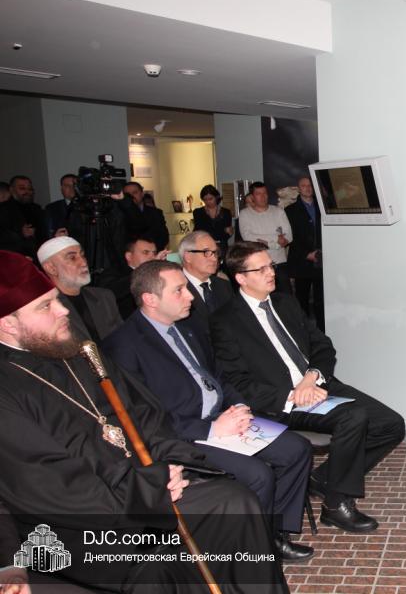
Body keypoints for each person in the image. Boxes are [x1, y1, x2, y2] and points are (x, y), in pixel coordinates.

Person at [0, 250, 289, 592]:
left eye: (57, 300)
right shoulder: (7, 388)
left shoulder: (75, 351)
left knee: (236, 501)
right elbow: (46, 482)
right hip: (76, 523)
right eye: (45, 306)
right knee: (161, 562)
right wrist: (148, 488)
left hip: (141, 484)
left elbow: (144, 412)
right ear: (7, 323)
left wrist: (171, 462)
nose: (63, 310)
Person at [103, 260, 314, 561]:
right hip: (183, 434)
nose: (190, 296)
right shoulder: (123, 346)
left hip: (220, 417)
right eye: (179, 290)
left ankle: (273, 533)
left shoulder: (187, 327)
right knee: (258, 475)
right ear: (150, 299)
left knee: (296, 449)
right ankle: (252, 551)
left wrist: (238, 405)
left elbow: (218, 376)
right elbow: (143, 418)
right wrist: (212, 429)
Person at [210, 241, 405, 533]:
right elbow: (238, 382)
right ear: (240, 278)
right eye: (260, 269)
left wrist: (311, 377)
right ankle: (336, 506)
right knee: (353, 417)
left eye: (270, 265)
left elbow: (323, 346)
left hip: (315, 385)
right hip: (281, 402)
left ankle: (323, 479)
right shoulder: (225, 320)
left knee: (391, 424)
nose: (271, 272)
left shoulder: (285, 302)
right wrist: (293, 395)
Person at [36, 237, 122, 341]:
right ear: (51, 268)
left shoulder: (104, 297)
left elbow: (123, 339)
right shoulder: (45, 310)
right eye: (72, 258)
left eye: (83, 255)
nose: (84, 263)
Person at [238, 182, 293, 294]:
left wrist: (265, 241)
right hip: (258, 265)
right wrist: (275, 240)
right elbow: (248, 237)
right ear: (252, 196)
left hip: (279, 263)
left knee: (286, 297)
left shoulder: (278, 211)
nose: (263, 196)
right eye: (258, 194)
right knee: (263, 296)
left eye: (265, 193)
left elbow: (289, 236)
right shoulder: (245, 214)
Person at [285, 176, 325, 332]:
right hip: (302, 261)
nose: (308, 188)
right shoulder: (290, 210)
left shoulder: (323, 207)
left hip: (322, 260)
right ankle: (304, 333)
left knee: (321, 300)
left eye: (310, 185)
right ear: (298, 188)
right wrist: (306, 254)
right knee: (302, 300)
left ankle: (322, 332)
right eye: (304, 185)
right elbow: (289, 237)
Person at [178, 230, 234, 335]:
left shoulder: (223, 285)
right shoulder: (176, 289)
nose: (214, 258)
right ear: (188, 256)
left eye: (215, 253)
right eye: (206, 252)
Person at [121, 181, 169, 252]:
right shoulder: (119, 215)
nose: (131, 196)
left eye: (135, 192)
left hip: (152, 254)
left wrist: (149, 252)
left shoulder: (155, 213)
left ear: (142, 194)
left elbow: (163, 237)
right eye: (127, 194)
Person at [192, 185, 234, 255]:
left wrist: (227, 231)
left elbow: (227, 234)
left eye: (210, 199)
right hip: (204, 246)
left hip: (221, 247)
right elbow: (198, 231)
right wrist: (223, 231)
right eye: (205, 199)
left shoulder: (226, 212)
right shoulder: (198, 212)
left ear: (216, 197)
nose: (208, 202)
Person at [45, 174, 78, 238]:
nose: (72, 188)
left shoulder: (89, 207)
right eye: (67, 186)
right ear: (62, 189)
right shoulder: (52, 208)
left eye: (74, 185)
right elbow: (47, 232)